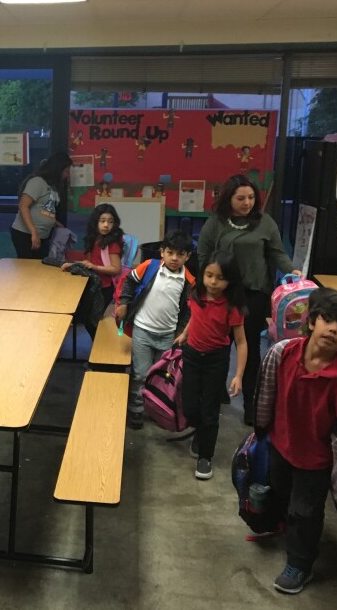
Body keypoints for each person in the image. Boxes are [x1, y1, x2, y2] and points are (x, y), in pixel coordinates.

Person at [255, 288, 337, 594]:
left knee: (305, 512)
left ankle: (300, 564)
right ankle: (284, 526)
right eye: (327, 320)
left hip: (315, 460)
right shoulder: (284, 353)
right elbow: (268, 392)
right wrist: (263, 429)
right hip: (281, 444)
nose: (333, 329)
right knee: (281, 492)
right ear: (312, 321)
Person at [196, 174, 299, 425]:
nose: (247, 203)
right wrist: (205, 288)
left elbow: (277, 253)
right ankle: (216, 390)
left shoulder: (265, 223)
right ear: (229, 198)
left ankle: (251, 403)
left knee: (250, 349)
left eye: (251, 197)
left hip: (254, 294)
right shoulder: (215, 224)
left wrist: (292, 271)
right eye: (240, 198)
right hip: (222, 294)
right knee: (218, 345)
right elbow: (203, 256)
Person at [174, 251, 247, 480]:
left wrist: (238, 375)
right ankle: (200, 433)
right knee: (190, 408)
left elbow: (242, 342)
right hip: (192, 355)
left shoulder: (232, 306)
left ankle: (206, 457)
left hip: (216, 360)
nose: (213, 282)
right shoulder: (196, 294)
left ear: (230, 280)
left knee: (209, 412)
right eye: (209, 275)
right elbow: (195, 317)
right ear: (203, 274)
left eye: (220, 278)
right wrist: (184, 334)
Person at [115, 230, 195, 429]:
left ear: (188, 256)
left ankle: (155, 407)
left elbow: (188, 311)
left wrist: (181, 332)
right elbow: (130, 282)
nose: (174, 258)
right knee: (140, 374)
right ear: (162, 252)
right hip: (142, 331)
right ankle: (136, 409)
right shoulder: (149, 267)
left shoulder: (189, 281)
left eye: (180, 254)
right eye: (170, 253)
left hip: (167, 336)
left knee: (159, 376)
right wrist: (124, 303)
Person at [10, 151, 73, 259]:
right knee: (28, 268)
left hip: (43, 235)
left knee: (40, 267)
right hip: (26, 234)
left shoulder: (53, 185)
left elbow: (45, 208)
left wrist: (55, 222)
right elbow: (23, 206)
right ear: (57, 170)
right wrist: (34, 233)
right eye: (66, 171)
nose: (67, 175)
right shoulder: (37, 182)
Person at [62, 203, 123, 313]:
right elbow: (89, 263)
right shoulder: (95, 239)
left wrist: (94, 267)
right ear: (95, 222)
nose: (106, 225)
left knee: (93, 322)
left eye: (110, 222)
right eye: (102, 221)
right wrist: (72, 265)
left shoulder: (112, 243)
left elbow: (116, 269)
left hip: (104, 288)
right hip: (94, 283)